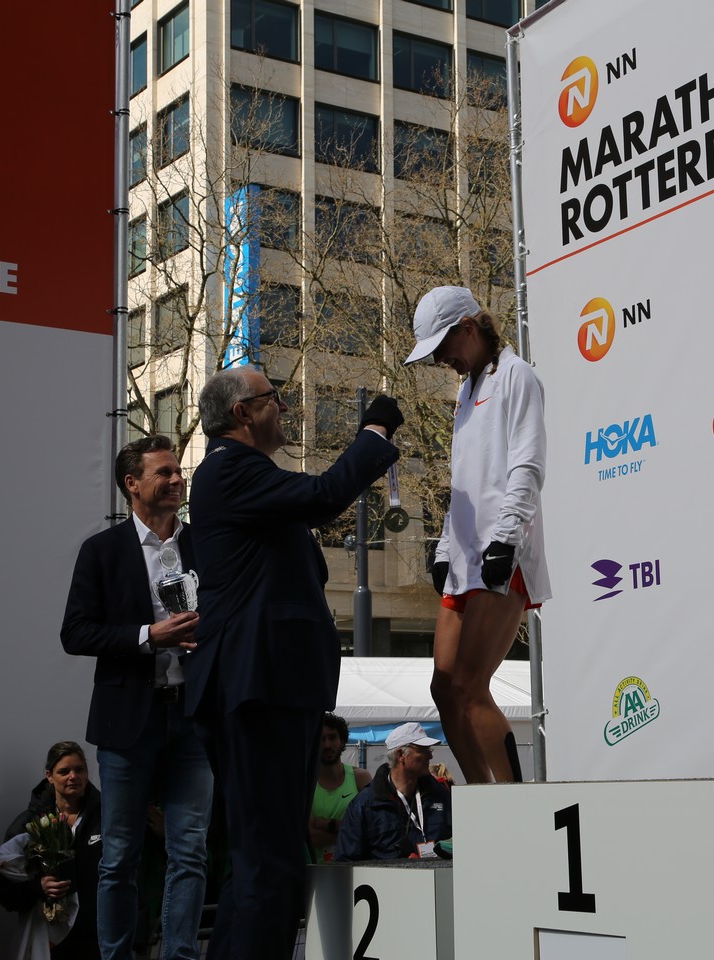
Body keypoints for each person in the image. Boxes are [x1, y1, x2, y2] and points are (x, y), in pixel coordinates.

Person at [185, 366, 401, 959]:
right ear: (241, 413)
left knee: (266, 858)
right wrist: (374, 432)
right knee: (271, 862)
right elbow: (325, 495)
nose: (285, 407)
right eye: (273, 398)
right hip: (259, 687)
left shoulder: (245, 480)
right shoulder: (230, 468)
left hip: (271, 687)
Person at [60, 436, 213, 960]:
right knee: (119, 855)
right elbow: (75, 633)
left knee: (190, 852)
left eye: (178, 471)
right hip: (127, 723)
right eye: (163, 472)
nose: (176, 479)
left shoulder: (204, 545)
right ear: (132, 484)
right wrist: (150, 636)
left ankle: (179, 955)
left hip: (193, 718)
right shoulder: (101, 551)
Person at [404, 286, 550, 783]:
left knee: (469, 684)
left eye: (442, 346)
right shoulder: (465, 393)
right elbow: (463, 484)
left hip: (502, 553)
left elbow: (527, 465)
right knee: (443, 688)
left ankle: (515, 802)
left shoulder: (517, 375)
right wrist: (445, 549)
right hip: (465, 559)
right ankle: (481, 798)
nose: (440, 359)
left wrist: (506, 540)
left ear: (468, 327)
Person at [0, 742, 102, 960]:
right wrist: (38, 887)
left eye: (79, 770)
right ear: (49, 776)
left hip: (96, 938)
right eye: (64, 771)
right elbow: (6, 895)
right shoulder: (28, 824)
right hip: (46, 941)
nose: (73, 776)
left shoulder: (106, 818)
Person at [335, 723, 452, 862]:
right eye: (422, 749)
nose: (430, 756)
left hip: (437, 875)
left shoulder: (440, 795)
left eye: (429, 749)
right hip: (387, 876)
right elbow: (346, 861)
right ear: (401, 755)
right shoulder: (365, 805)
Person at [308, 713, 372, 863]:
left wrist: (324, 824)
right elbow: (309, 837)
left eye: (332, 737)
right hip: (315, 871)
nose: (327, 745)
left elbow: (369, 830)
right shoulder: (306, 783)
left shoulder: (360, 778)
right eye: (321, 739)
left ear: (342, 741)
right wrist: (349, 832)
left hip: (353, 870)